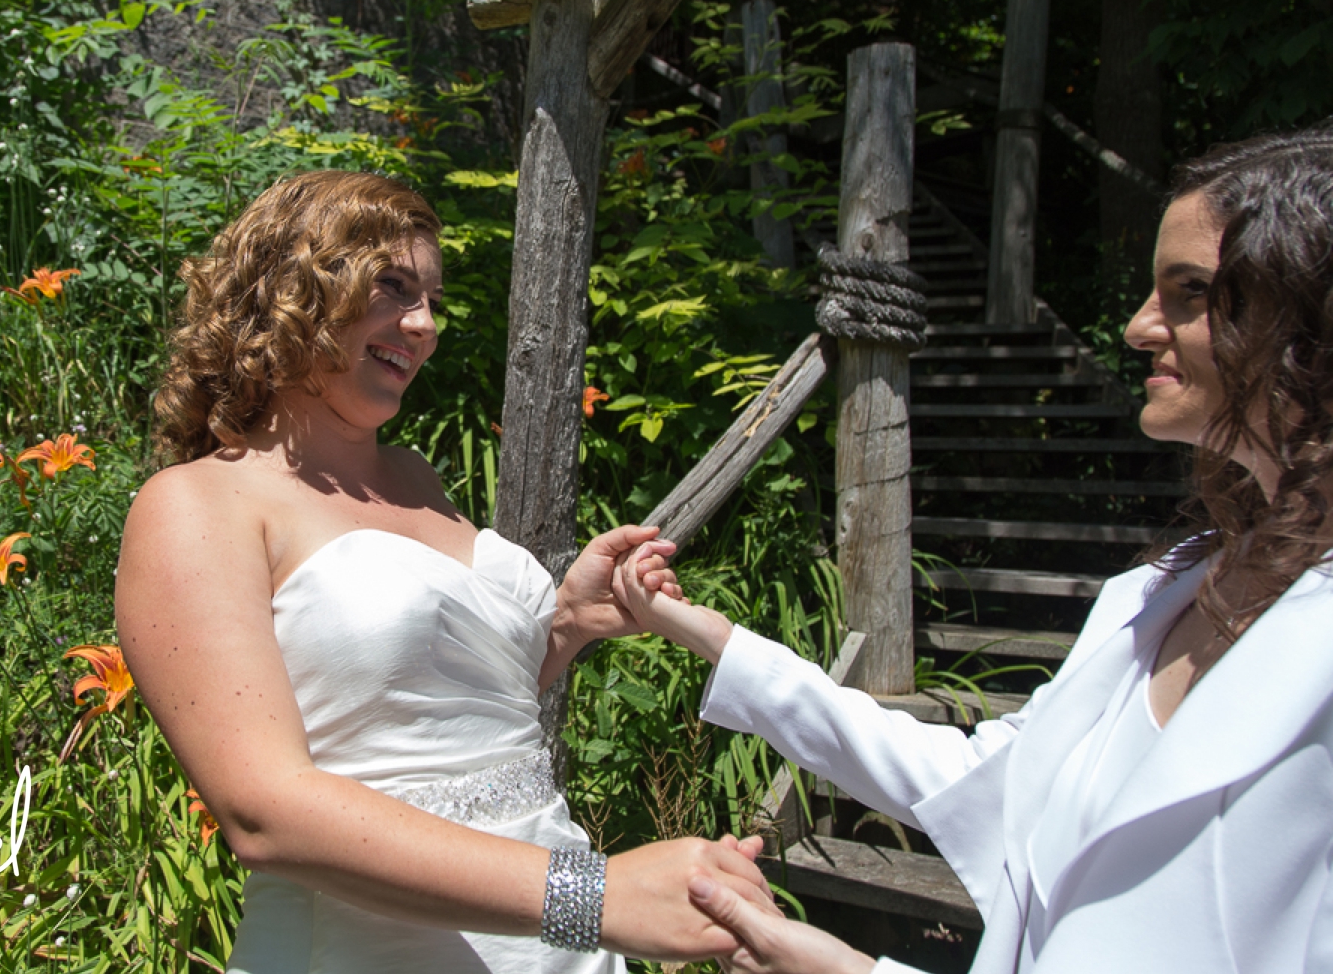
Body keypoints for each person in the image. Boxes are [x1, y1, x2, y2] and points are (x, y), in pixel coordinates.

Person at [612, 126, 1333, 974]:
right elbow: (989, 778)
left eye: (1189, 291)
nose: (1140, 327)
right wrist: (708, 633)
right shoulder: (1165, 587)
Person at [114, 167, 785, 971]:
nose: (424, 322)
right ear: (293, 286)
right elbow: (264, 811)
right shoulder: (197, 505)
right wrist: (598, 895)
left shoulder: (415, 477)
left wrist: (564, 625)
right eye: (393, 286)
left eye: (431, 299)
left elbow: (426, 716)